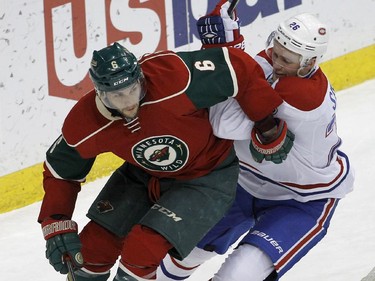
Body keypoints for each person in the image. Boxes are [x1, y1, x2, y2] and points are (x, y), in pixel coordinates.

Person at [37, 34, 296, 280]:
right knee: (92, 249)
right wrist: (56, 221)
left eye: (132, 90)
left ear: (140, 77)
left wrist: (265, 122)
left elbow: (235, 66)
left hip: (205, 177)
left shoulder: (173, 76)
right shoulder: (87, 121)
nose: (128, 102)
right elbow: (60, 171)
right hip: (143, 176)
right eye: (116, 96)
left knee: (142, 250)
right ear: (100, 94)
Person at [157, 4, 355, 281]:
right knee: (169, 263)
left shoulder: (302, 97)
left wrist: (225, 46)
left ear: (310, 63)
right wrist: (228, 47)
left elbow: (224, 122)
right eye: (276, 51)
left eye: (287, 60)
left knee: (237, 276)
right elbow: (243, 76)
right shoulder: (275, 64)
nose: (276, 62)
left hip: (300, 198)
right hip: (241, 182)